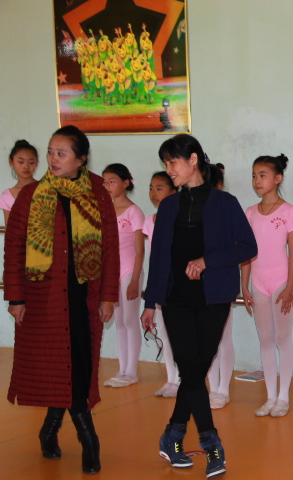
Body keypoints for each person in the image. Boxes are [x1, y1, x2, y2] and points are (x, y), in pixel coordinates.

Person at [4, 125, 120, 474]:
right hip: (43, 300)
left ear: (80, 159)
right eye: (51, 152)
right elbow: (14, 250)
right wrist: (15, 298)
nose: (53, 159)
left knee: (78, 367)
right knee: (55, 369)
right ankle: (87, 440)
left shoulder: (98, 192)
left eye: (61, 153)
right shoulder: (31, 195)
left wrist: (108, 296)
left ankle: (58, 432)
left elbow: (110, 249)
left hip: (84, 298)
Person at [141, 135, 257, 479]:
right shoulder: (168, 207)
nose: (168, 170)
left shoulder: (225, 203)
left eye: (173, 162)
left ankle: (173, 433)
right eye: (165, 163)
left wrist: (208, 260)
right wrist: (149, 303)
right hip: (175, 299)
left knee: (193, 372)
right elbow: (158, 258)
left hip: (213, 298)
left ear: (193, 160)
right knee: (192, 369)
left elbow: (247, 246)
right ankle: (211, 443)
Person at [241, 154, 293, 418]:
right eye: (254, 175)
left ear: (278, 178)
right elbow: (245, 253)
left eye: (262, 175)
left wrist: (289, 287)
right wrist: (244, 286)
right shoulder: (250, 213)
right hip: (258, 283)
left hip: (280, 282)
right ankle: (270, 396)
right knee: (265, 339)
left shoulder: (288, 211)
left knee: (282, 339)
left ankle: (283, 397)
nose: (257, 180)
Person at [102, 163, 145, 388]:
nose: (107, 185)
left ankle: (131, 372)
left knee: (129, 320)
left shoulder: (134, 212)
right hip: (111, 274)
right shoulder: (104, 210)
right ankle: (122, 370)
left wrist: (135, 280)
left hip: (130, 271)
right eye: (105, 182)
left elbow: (140, 250)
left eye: (112, 181)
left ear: (126, 183)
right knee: (118, 322)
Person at [142, 171, 180, 398]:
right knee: (164, 333)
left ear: (173, 192)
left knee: (178, 334)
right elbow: (153, 257)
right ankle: (171, 378)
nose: (153, 193)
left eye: (159, 188)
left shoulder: (178, 218)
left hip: (174, 283)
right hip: (158, 282)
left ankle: (182, 378)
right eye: (151, 188)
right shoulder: (150, 221)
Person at [206, 164, 236, 409]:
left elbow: (240, 245)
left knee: (223, 337)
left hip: (222, 280)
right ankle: (212, 386)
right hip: (199, 282)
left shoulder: (227, 206)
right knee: (206, 340)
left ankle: (223, 388)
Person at [1, 140, 39, 224]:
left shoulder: (45, 188)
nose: (26, 166)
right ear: (11, 162)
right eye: (21, 162)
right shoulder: (7, 196)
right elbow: (9, 228)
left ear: (36, 163)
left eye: (31, 162)